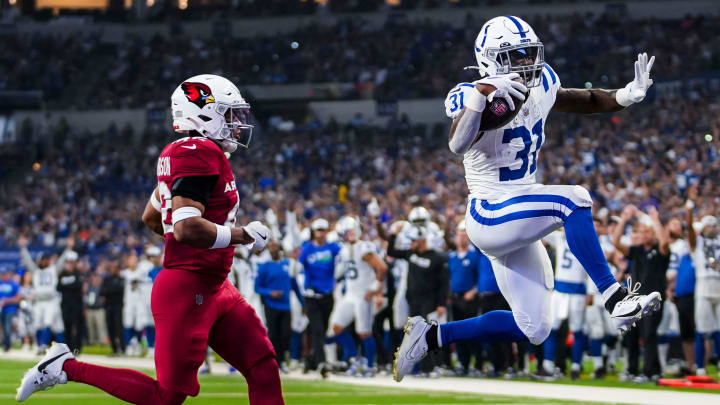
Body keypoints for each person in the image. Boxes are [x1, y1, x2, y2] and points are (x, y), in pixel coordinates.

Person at [393, 15, 662, 382]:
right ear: (488, 59)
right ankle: (616, 298)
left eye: (528, 53)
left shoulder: (543, 79)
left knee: (534, 328)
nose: (525, 63)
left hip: (520, 211)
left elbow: (579, 99)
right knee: (574, 199)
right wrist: (480, 94)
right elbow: (457, 143)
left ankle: (432, 335)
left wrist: (625, 95)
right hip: (489, 211)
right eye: (514, 56)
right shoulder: (467, 92)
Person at [17, 74, 283, 405]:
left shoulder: (191, 152)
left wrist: (200, 248)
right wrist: (240, 235)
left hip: (214, 284)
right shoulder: (195, 150)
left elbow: (152, 217)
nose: (237, 123)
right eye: (229, 114)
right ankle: (66, 368)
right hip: (189, 289)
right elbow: (185, 228)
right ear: (202, 113)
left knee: (262, 366)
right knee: (165, 398)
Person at [612, 205, 670, 382]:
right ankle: (634, 370)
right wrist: (623, 219)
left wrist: (655, 220)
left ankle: (648, 371)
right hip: (635, 300)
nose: (645, 235)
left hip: (653, 300)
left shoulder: (661, 251)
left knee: (649, 334)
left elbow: (665, 243)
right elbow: (616, 242)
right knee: (633, 336)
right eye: (643, 232)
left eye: (648, 232)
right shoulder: (636, 251)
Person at [326, 216, 388, 377]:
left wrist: (374, 288)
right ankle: (356, 359)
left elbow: (382, 267)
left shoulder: (363, 247)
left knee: (364, 332)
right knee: (336, 327)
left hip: (362, 295)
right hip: (350, 294)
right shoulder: (345, 249)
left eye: (348, 232)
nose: (346, 235)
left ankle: (370, 365)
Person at [387, 225, 448, 377]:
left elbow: (444, 283)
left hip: (430, 301)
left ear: (421, 240)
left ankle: (434, 367)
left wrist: (441, 303)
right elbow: (391, 252)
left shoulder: (437, 257)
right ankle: (424, 368)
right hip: (414, 301)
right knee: (416, 335)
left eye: (414, 240)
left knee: (428, 335)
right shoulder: (410, 254)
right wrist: (393, 234)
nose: (411, 243)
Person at [541, 230, 588, 380]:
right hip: (560, 290)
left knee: (577, 330)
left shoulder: (585, 240)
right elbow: (542, 230)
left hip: (576, 290)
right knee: (551, 328)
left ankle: (575, 366)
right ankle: (548, 365)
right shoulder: (560, 237)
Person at [298, 218, 342, 372]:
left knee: (322, 329)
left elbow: (344, 259)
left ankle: (309, 360)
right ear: (314, 232)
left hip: (328, 295)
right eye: (318, 230)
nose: (320, 233)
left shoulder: (333, 248)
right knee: (317, 329)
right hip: (312, 296)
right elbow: (298, 268)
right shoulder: (307, 248)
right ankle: (321, 362)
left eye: (323, 230)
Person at [255, 239, 304, 371]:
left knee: (285, 334)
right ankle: (277, 361)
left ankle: (283, 359)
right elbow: (257, 287)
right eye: (271, 246)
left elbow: (295, 286)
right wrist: (270, 292)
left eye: (275, 246)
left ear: (279, 248)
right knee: (273, 334)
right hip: (271, 305)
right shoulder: (264, 266)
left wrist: (302, 303)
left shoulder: (288, 265)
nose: (273, 248)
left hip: (286, 305)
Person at [18, 235, 70, 351]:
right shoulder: (35, 271)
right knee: (37, 324)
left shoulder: (53, 270)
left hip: (51, 301)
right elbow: (27, 260)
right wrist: (23, 247)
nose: (43, 262)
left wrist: (68, 249)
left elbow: (61, 261)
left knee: (49, 322)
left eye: (45, 260)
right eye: (41, 260)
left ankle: (43, 345)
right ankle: (39, 345)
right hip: (39, 301)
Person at [688, 211, 720, 376]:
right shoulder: (697, 242)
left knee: (718, 329)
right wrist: (689, 209)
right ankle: (700, 367)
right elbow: (691, 233)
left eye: (714, 225)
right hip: (703, 287)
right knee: (702, 329)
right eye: (710, 226)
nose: (713, 228)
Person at [56, 250, 84, 353]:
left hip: (77, 305)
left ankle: (77, 349)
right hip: (66, 305)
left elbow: (78, 286)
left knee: (77, 328)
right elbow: (58, 287)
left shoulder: (78, 273)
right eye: (69, 261)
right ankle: (68, 349)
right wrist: (70, 286)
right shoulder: (62, 274)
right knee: (67, 328)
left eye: (72, 262)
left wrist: (66, 286)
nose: (70, 264)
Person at [101, 261, 126, 356]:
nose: (113, 269)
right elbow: (102, 291)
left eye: (115, 267)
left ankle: (123, 349)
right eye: (112, 267)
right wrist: (112, 290)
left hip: (118, 307)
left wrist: (109, 290)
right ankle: (114, 349)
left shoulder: (121, 279)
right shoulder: (107, 279)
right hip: (109, 307)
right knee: (110, 328)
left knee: (119, 328)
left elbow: (119, 289)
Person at [84, 272, 107, 346]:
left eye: (96, 279)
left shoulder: (102, 287)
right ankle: (91, 341)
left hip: (99, 309)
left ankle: (103, 342)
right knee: (90, 327)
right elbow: (86, 298)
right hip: (90, 309)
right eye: (93, 279)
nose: (95, 280)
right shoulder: (89, 288)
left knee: (101, 326)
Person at [0, 269, 21, 351]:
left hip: (10, 309)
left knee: (8, 327)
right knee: (3, 328)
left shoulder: (13, 284)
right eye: (3, 274)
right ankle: (4, 344)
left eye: (5, 274)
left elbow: (18, 298)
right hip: (1, 309)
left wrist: (7, 300)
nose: (4, 276)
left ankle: (7, 345)